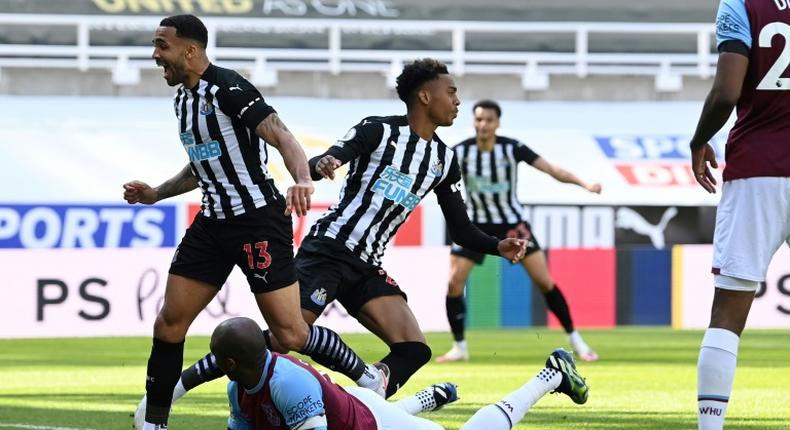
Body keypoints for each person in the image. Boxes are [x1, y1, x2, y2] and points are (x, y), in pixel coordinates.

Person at [167, 58, 528, 406]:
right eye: (451, 92)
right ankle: (183, 382)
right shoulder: (378, 130)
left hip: (367, 265)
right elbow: (326, 159)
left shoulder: (444, 162)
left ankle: (364, 400)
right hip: (329, 250)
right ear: (425, 96)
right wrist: (325, 164)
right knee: (282, 338)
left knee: (414, 348)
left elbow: (462, 230)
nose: (458, 101)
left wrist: (499, 246)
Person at [127, 15, 384, 430]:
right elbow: (200, 166)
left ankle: (367, 377)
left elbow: (282, 135)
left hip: (258, 222)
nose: (156, 55)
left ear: (190, 51)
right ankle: (154, 421)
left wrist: (302, 179)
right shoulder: (183, 101)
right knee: (169, 322)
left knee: (290, 335)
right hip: (211, 224)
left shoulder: (230, 88)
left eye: (162, 46)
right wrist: (157, 193)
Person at [437, 100, 601, 364]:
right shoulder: (460, 152)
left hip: (513, 225)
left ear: (497, 123)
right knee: (455, 282)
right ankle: (459, 347)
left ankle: (577, 341)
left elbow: (552, 170)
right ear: (473, 122)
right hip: (476, 225)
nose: (483, 125)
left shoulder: (512, 148)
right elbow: (432, 175)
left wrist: (585, 184)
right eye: (479, 120)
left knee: (544, 282)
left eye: (489, 120)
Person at [689, 1, 790, 429]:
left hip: (756, 171)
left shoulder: (742, 4)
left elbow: (727, 92)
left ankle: (710, 428)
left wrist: (699, 140)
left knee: (728, 314)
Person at [212, 317, 589, 430]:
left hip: (367, 421)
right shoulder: (239, 390)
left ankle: (552, 375)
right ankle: (423, 400)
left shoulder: (286, 382)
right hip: (351, 405)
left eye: (216, 358)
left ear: (231, 364)